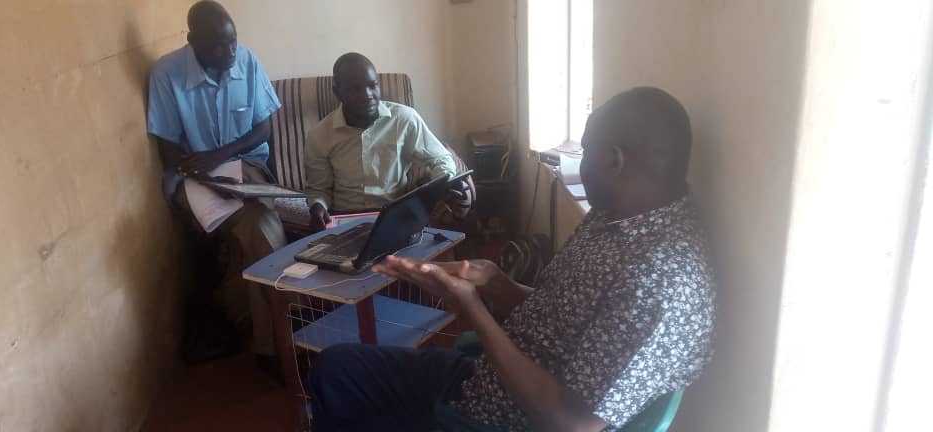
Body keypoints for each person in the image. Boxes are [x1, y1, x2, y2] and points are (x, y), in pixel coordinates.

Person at [307, 87, 717, 431]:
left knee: (355, 405)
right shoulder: (615, 218)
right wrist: (495, 282)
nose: (579, 164)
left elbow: (571, 422)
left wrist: (472, 308)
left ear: (615, 160)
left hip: (506, 421)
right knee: (336, 368)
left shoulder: (660, 279)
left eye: (585, 151)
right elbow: (560, 315)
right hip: (488, 381)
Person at [146, 1, 286, 374]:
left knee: (259, 225)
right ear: (193, 41)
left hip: (246, 167)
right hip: (195, 179)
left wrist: (221, 156)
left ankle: (275, 332)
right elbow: (168, 147)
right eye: (219, 45)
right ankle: (275, 347)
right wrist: (208, 176)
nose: (230, 52)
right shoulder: (167, 74)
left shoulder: (247, 62)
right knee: (260, 228)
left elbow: (263, 128)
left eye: (233, 41)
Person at [304, 53, 458, 231]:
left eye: (372, 85)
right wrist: (317, 206)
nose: (367, 95)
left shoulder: (404, 119)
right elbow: (319, 188)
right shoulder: (319, 135)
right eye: (355, 89)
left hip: (394, 215)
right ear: (338, 93)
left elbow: (441, 158)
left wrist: (445, 182)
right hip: (344, 219)